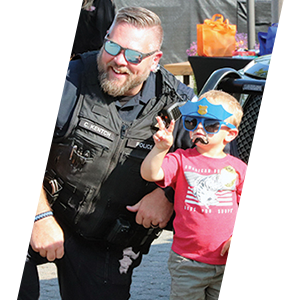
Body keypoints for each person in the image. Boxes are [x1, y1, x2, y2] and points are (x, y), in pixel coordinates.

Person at [18, 6, 196, 300]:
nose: (119, 61)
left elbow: (216, 163)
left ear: (155, 61)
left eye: (134, 56)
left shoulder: (181, 103)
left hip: (105, 241)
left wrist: (166, 195)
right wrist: (39, 216)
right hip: (42, 211)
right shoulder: (69, 80)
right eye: (112, 46)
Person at [141, 90, 247, 300]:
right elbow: (150, 173)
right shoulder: (180, 159)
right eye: (192, 122)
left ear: (230, 134)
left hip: (226, 260)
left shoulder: (238, 168)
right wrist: (160, 149)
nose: (199, 128)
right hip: (187, 261)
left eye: (210, 125)